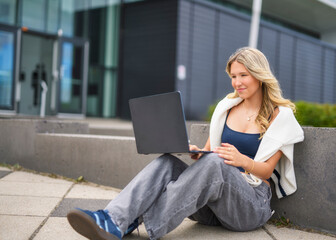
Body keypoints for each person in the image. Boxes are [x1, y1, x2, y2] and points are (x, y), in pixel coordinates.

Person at [67, 47, 304, 240]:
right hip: (214, 207)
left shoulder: (280, 116)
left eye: (244, 75)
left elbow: (266, 172)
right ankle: (113, 219)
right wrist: (197, 153)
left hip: (251, 206)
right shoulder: (227, 108)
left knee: (214, 165)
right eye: (233, 76)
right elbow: (212, 154)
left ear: (259, 76)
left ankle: (137, 223)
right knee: (167, 163)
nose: (237, 82)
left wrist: (242, 161)